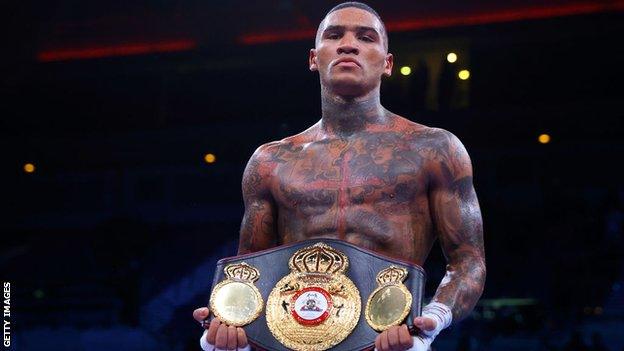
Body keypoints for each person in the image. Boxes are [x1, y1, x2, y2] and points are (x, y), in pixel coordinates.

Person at [193, 2, 486, 350]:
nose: (349, 44)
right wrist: (231, 332)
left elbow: (468, 260)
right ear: (314, 58)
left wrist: (432, 320)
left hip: (388, 341)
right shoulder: (271, 160)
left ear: (387, 63)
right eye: (335, 35)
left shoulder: (434, 149)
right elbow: (251, 274)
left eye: (366, 37)